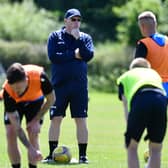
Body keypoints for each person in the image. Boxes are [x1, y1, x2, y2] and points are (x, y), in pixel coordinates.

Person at [43, 8, 94, 164]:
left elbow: (88, 55)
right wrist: (73, 54)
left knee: (81, 119)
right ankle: (52, 154)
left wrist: (78, 41)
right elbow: (53, 57)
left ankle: (83, 156)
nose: (76, 23)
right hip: (59, 86)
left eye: (79, 20)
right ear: (66, 21)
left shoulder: (85, 38)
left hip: (79, 87)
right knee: (56, 119)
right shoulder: (55, 36)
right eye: (73, 19)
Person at [2, 63, 55, 168]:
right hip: (15, 103)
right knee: (10, 132)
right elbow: (18, 129)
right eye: (14, 89)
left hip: (35, 101)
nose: (16, 92)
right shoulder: (8, 92)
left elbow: (51, 99)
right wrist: (31, 149)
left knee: (33, 132)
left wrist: (36, 119)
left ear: (26, 80)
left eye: (19, 88)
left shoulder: (40, 77)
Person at [117, 58, 167, 168]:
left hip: (141, 98)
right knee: (156, 149)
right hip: (161, 100)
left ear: (131, 68)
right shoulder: (154, 74)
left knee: (132, 147)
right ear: (147, 68)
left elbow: (125, 104)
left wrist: (129, 128)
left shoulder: (125, 76)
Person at [134, 11, 168, 96]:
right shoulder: (167, 40)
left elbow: (136, 69)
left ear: (142, 26)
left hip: (153, 86)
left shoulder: (143, 44)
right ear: (155, 24)